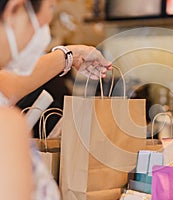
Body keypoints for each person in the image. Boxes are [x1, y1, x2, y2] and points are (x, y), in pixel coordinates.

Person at [0, 0, 112, 199]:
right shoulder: (7, 126)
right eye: (51, 7)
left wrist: (71, 54)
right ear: (16, 9)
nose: (50, 19)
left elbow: (12, 83)